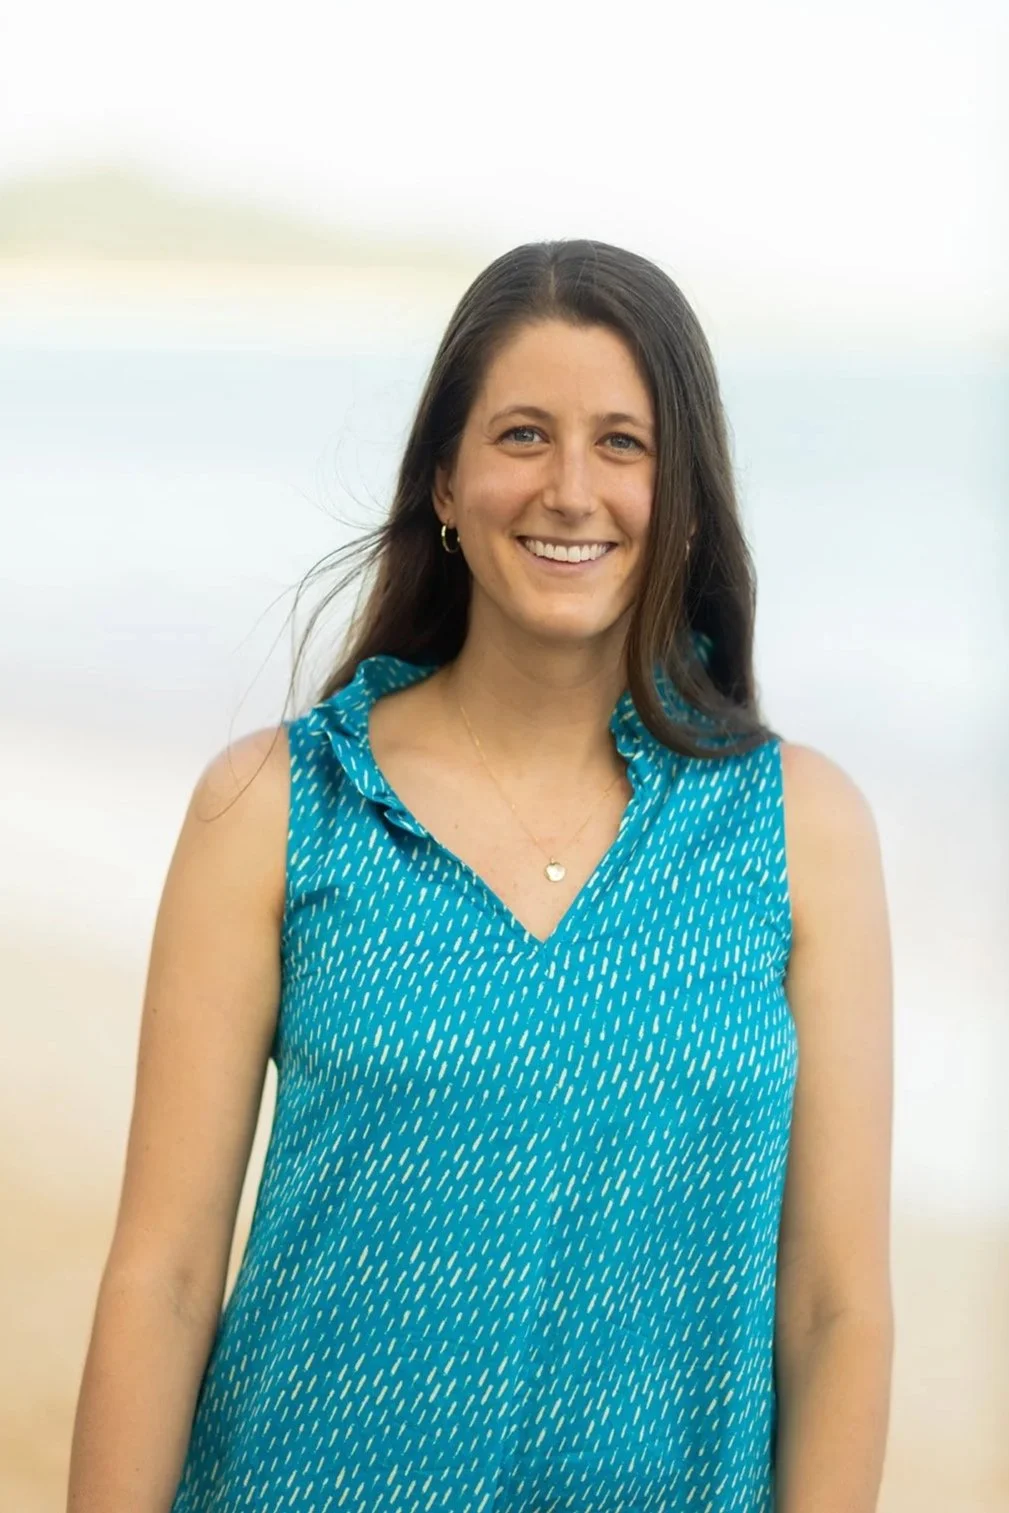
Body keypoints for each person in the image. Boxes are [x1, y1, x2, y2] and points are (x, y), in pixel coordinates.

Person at [67, 240, 894, 1512]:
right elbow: (166, 1275)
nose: (570, 489)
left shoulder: (801, 831)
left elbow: (836, 1313)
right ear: (445, 481)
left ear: (682, 495)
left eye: (623, 442)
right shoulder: (279, 807)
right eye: (521, 435)